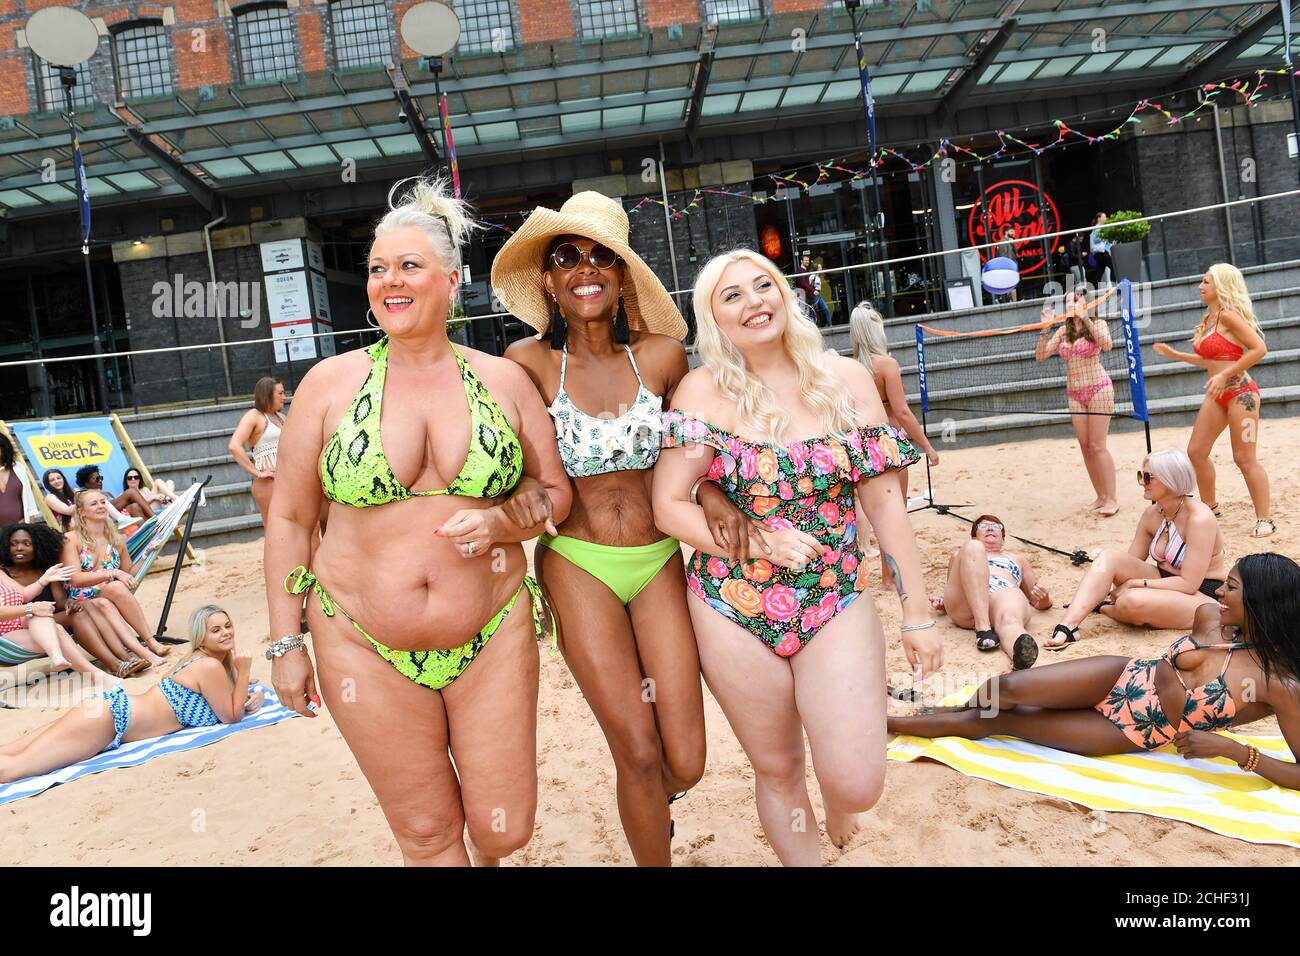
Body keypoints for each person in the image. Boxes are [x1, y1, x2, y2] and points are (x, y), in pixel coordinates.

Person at [265, 176, 573, 868]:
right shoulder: (328, 385)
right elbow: (288, 516)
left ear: (451, 279)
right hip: (359, 640)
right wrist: (286, 642)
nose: (388, 281)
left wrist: (503, 525)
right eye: (377, 269)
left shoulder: (502, 381)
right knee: (429, 835)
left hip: (491, 631)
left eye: (408, 265)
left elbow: (554, 491)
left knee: (503, 830)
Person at [653, 248, 943, 865]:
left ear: (785, 295)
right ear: (714, 320)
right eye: (732, 295)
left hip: (834, 595)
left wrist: (917, 613)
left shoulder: (846, 379)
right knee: (778, 766)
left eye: (763, 286)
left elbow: (887, 504)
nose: (753, 301)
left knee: (857, 782)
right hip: (729, 602)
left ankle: (837, 797)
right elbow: (669, 506)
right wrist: (759, 540)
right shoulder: (701, 391)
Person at [495, 192, 758, 865]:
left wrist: (712, 490)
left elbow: (693, 453)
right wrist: (524, 488)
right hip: (577, 561)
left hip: (658, 558)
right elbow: (511, 466)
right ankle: (647, 822)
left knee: (688, 760)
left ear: (621, 276)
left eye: (601, 256)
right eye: (567, 256)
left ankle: (650, 802)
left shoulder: (665, 357)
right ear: (549, 281)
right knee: (637, 753)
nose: (586, 268)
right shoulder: (522, 364)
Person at [889, 553, 1300, 790]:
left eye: (1231, 587)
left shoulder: (1279, 683)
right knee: (1005, 686)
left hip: (1136, 729)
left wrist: (1235, 751)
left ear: (1263, 601)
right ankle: (956, 707)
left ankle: (889, 721)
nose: (1219, 592)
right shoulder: (1210, 616)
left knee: (1003, 720)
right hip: (1122, 675)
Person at [0, 605, 261, 785]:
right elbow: (230, 716)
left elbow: (229, 700)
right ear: (201, 638)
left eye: (228, 626)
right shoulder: (209, 665)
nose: (226, 632)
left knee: (10, 753)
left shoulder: (198, 659)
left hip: (108, 712)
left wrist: (248, 693)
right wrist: (245, 671)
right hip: (109, 720)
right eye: (216, 630)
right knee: (12, 769)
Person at [1046, 449, 1227, 649]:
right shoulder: (1152, 514)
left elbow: (1189, 583)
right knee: (1109, 558)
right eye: (1140, 475)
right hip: (1165, 580)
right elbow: (1128, 563)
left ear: (1170, 480)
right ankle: (1068, 626)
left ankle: (1105, 608)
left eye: (1148, 477)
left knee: (1131, 601)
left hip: (1203, 595)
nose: (1141, 482)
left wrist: (1136, 583)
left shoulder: (1199, 518)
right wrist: (1125, 581)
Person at [1153, 263, 1272, 538]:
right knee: (1196, 452)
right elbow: (1212, 360)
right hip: (1217, 395)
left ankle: (1265, 518)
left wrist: (1225, 375)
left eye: (1206, 282)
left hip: (1242, 394)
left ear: (1221, 286)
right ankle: (1210, 507)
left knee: (1244, 458)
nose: (1200, 286)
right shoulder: (1208, 319)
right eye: (1202, 281)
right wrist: (1178, 356)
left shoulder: (1229, 316)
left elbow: (1259, 349)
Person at [1, 522, 148, 679]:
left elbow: (59, 602)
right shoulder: (4, 573)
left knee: (81, 608)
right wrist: (35, 607)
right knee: (81, 613)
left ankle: (125, 659)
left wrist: (68, 603)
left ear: (37, 546)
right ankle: (115, 664)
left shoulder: (47, 571)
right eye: (13, 544)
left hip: (48, 619)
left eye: (27, 544)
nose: (19, 548)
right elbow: (23, 600)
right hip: (25, 627)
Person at [60, 490, 170, 667]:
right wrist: (112, 573)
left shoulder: (116, 540)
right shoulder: (71, 539)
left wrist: (146, 554)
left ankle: (150, 643)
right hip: (80, 599)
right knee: (113, 591)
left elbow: (129, 574)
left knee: (115, 589)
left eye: (103, 502)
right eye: (94, 503)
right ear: (81, 511)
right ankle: (147, 647)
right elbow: (74, 579)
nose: (101, 506)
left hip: (107, 594)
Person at [1035, 289, 1118, 515]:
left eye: (1075, 300)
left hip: (1099, 389)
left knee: (1098, 445)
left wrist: (1084, 319)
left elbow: (1107, 345)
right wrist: (1045, 330)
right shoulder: (1063, 331)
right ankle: (1100, 496)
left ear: (1086, 302)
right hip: (1075, 394)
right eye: (1068, 301)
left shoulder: (1098, 324)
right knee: (1085, 447)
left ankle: (1112, 498)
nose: (1071, 304)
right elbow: (1040, 357)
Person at [930, 515, 1049, 670]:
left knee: (1010, 620)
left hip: (1000, 592)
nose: (991, 528)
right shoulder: (962, 553)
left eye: (996, 526)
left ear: (1003, 539)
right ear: (974, 535)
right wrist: (943, 602)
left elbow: (1038, 601)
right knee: (973, 548)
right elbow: (954, 586)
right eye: (983, 526)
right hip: (967, 603)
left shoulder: (1017, 559)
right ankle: (983, 628)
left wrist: (1045, 599)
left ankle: (1019, 651)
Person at [228, 377, 286, 529]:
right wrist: (257, 472)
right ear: (267, 394)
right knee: (275, 529)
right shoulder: (254, 415)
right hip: (269, 482)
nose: (284, 397)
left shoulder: (281, 417)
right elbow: (234, 446)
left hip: (288, 479)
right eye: (280, 393)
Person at [74, 466, 147, 526]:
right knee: (131, 492)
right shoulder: (84, 495)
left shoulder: (107, 494)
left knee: (135, 506)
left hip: (118, 515)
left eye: (100, 478)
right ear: (86, 483)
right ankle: (155, 519)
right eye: (96, 479)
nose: (100, 481)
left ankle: (148, 535)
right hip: (105, 515)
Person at [0, 434, 40, 527]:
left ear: (4, 448)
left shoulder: (18, 467)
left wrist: (29, 526)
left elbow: (29, 500)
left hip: (19, 528)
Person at [795, 252, 832, 327]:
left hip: (810, 295)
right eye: (805, 260)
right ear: (801, 261)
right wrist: (813, 291)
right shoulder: (801, 271)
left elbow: (805, 284)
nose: (807, 262)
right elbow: (803, 284)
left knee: (821, 310)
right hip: (807, 295)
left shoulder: (805, 270)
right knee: (814, 311)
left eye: (808, 260)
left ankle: (829, 325)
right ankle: (818, 326)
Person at [1088, 212, 1114, 285]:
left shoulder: (1099, 227)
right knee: (1113, 266)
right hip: (1101, 252)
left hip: (1099, 252)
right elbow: (1096, 239)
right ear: (1099, 218)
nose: (1106, 218)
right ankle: (1116, 284)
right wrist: (1105, 236)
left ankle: (1095, 288)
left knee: (1100, 271)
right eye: (1104, 217)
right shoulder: (1098, 227)